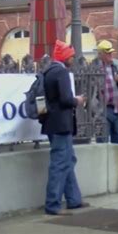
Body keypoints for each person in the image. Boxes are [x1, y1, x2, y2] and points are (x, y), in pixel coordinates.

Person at [42, 40, 88, 215]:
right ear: (64, 56)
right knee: (60, 164)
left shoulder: (49, 71)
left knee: (68, 160)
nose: (73, 58)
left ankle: (74, 199)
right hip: (61, 124)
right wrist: (78, 100)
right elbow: (65, 99)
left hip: (52, 124)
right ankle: (52, 204)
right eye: (71, 55)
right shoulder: (61, 72)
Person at [93, 40, 118, 182]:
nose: (111, 55)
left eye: (111, 52)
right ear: (100, 54)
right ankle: (103, 173)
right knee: (103, 142)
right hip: (103, 110)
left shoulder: (116, 65)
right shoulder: (94, 67)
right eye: (107, 53)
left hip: (117, 110)